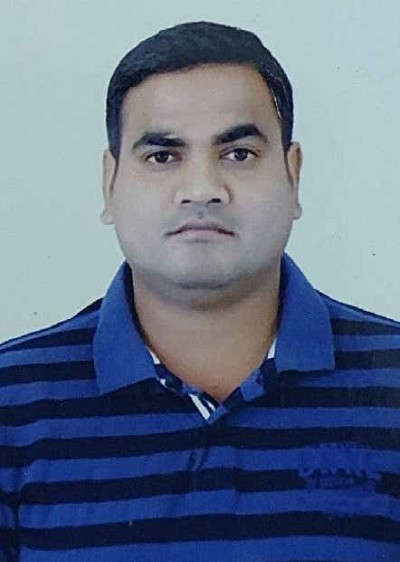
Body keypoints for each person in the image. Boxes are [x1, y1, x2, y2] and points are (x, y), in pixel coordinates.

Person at [0, 21, 399, 562]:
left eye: (238, 153)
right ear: (109, 183)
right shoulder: (12, 404)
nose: (202, 189)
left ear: (293, 175)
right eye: (163, 156)